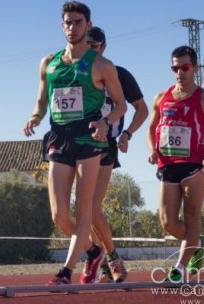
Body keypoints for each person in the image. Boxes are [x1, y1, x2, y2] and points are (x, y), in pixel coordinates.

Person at [23, 1, 127, 285]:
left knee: (84, 212)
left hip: (90, 139)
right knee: (59, 215)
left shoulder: (102, 65)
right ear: (62, 25)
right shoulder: (49, 62)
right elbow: (42, 100)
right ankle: (93, 252)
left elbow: (121, 106)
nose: (72, 27)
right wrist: (34, 117)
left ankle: (65, 272)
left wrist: (106, 123)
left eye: (78, 22)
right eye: (68, 22)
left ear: (88, 25)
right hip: (59, 137)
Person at [147, 45, 204, 282]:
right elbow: (151, 129)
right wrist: (152, 149)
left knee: (192, 217)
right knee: (168, 222)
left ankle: (180, 269)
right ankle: (198, 243)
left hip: (194, 166)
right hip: (167, 165)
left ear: (194, 67)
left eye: (184, 67)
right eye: (175, 67)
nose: (179, 72)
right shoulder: (161, 98)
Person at [85, 27, 149, 283]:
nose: (91, 51)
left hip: (106, 146)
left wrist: (127, 134)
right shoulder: (74, 73)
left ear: (104, 47)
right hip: (79, 146)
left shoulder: (119, 74)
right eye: (86, 46)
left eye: (95, 47)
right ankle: (104, 262)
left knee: (92, 207)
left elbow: (141, 110)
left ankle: (112, 259)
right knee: (83, 211)